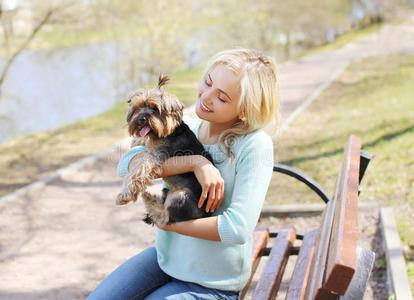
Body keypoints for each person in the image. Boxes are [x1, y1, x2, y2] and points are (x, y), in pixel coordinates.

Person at [87, 48, 280, 300]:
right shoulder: (190, 121)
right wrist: (196, 162)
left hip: (212, 282)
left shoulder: (254, 145)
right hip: (166, 261)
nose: (206, 97)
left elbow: (237, 228)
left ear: (245, 108)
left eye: (221, 97)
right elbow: (127, 163)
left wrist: (169, 223)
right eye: (208, 82)